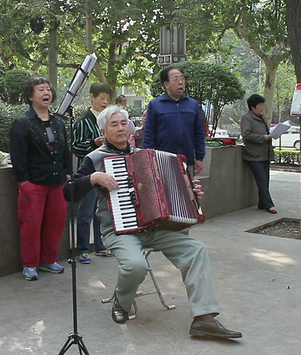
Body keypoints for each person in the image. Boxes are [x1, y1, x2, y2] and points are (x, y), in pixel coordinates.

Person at [64, 106, 242, 339]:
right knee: (136, 265)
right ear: (102, 131)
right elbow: (69, 193)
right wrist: (92, 177)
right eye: (113, 124)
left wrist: (191, 192)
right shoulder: (95, 159)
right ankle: (122, 302)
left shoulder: (145, 155)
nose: (120, 128)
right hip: (119, 230)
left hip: (154, 227)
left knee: (196, 249)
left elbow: (171, 188)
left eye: (123, 123)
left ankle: (204, 318)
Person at [9, 76, 71, 280]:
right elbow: (18, 155)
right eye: (41, 90)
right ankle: (30, 264)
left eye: (48, 90)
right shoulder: (22, 123)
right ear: (30, 96)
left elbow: (65, 151)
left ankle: (48, 260)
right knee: (30, 224)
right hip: (33, 182)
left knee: (56, 222)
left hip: (58, 182)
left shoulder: (58, 122)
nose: (46, 93)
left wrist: (67, 173)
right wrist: (24, 181)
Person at [72, 82, 112, 264]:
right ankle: (83, 249)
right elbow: (76, 147)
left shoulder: (107, 120)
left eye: (107, 99)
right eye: (101, 98)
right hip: (88, 173)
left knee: (101, 211)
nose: (104, 102)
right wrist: (93, 144)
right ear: (92, 97)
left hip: (105, 171)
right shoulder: (83, 120)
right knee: (85, 212)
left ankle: (101, 245)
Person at [144, 66, 206, 176]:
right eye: (176, 79)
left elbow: (199, 133)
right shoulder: (155, 105)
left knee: (187, 191)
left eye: (182, 79)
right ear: (166, 84)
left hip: (187, 160)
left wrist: (200, 157)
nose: (180, 82)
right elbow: (149, 134)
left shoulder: (192, 105)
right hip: (162, 161)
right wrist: (150, 159)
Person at [240, 94, 277, 214]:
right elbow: (246, 135)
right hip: (254, 155)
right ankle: (269, 204)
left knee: (265, 180)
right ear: (252, 107)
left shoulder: (262, 117)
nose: (262, 108)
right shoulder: (247, 118)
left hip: (265, 153)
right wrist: (263, 137)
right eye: (260, 105)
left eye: (263, 105)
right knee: (261, 180)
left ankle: (262, 202)